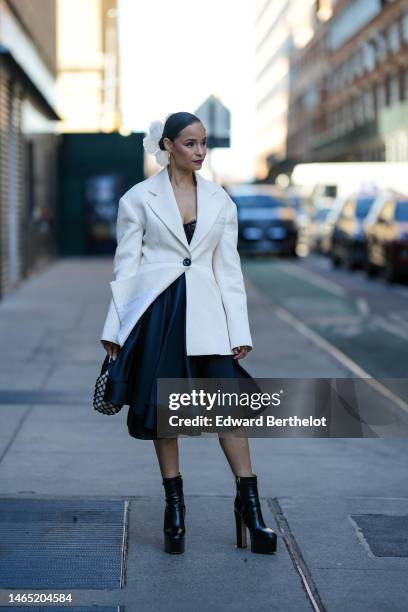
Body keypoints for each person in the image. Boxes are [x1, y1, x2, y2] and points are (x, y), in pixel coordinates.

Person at [100, 112, 277, 555]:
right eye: (190, 143)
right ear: (168, 145)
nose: (199, 151)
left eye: (203, 144)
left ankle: (250, 507)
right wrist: (115, 329)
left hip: (209, 318)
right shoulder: (137, 199)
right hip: (158, 314)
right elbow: (127, 267)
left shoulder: (221, 201)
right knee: (165, 412)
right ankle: (174, 508)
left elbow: (228, 270)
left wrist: (240, 329)